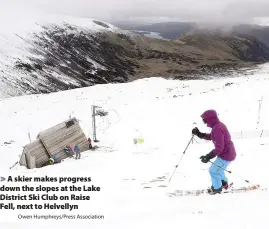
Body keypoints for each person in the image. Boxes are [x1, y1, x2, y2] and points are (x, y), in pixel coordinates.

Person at [192, 109, 236, 194]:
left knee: (213, 170)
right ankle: (224, 183)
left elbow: (219, 147)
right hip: (227, 152)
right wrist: (199, 134)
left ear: (209, 119)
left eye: (204, 120)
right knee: (219, 169)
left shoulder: (217, 128)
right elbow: (212, 136)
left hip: (226, 154)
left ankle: (217, 188)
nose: (204, 122)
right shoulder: (217, 126)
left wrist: (208, 156)